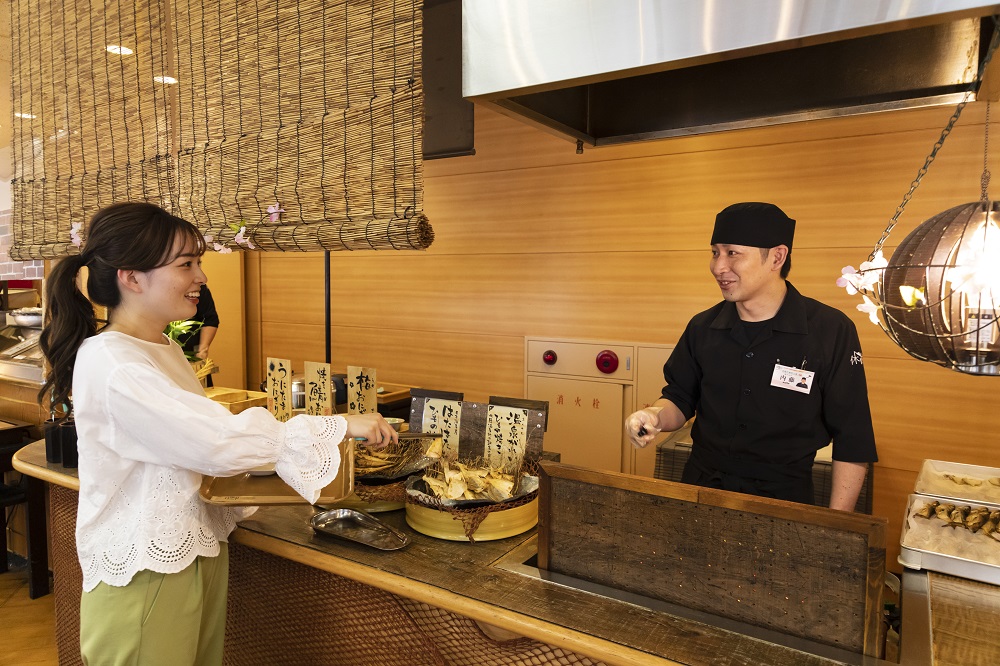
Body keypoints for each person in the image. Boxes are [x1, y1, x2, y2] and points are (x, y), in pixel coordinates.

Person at [38, 202, 398, 666]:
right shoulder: (114, 362)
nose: (201, 277)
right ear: (132, 278)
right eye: (186, 264)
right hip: (146, 564)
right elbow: (213, 440)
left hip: (187, 549)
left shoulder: (162, 346)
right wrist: (337, 425)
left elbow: (198, 438)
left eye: (198, 262)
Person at [625, 202, 877, 511]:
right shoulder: (703, 327)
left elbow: (853, 435)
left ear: (777, 257)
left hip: (784, 497)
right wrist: (653, 416)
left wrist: (837, 524)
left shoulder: (830, 330)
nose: (718, 266)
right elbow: (679, 398)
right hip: (701, 489)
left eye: (732, 253)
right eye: (715, 252)